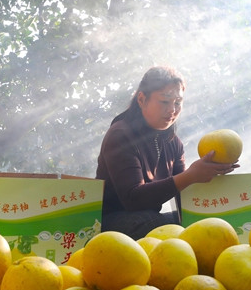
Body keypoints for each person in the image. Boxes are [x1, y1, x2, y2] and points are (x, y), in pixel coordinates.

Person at [95, 66, 238, 240]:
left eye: (178, 102)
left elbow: (182, 194)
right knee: (155, 223)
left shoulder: (173, 142)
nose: (172, 110)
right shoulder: (120, 135)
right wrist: (191, 176)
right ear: (141, 99)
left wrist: (210, 173)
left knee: (211, 221)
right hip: (113, 223)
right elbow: (133, 199)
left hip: (149, 218)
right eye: (164, 101)